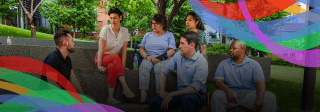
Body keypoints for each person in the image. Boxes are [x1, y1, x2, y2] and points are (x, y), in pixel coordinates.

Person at [149, 31, 208, 112]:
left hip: (197, 95)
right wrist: (162, 92)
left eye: (182, 43)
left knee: (186, 98)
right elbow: (163, 71)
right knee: (154, 102)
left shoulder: (202, 61)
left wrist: (171, 94)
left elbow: (194, 89)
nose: (179, 46)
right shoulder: (178, 55)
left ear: (192, 45)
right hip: (179, 93)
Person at [211, 40, 277, 112]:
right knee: (216, 95)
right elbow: (218, 82)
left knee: (270, 98)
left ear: (242, 49)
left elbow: (260, 83)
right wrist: (228, 92)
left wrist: (259, 99)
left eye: (234, 48)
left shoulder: (254, 64)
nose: (230, 50)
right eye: (230, 48)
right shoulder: (223, 64)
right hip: (230, 95)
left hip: (250, 96)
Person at [95, 7, 135, 104]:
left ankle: (110, 97)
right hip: (102, 58)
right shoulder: (105, 29)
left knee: (112, 67)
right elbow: (101, 49)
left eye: (115, 18)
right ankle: (125, 87)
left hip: (114, 60)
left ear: (120, 17)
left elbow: (124, 51)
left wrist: (123, 66)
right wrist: (99, 65)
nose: (113, 20)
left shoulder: (124, 31)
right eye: (111, 18)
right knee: (115, 57)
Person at [40, 30, 93, 100]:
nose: (74, 43)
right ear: (65, 42)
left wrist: (82, 96)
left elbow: (74, 79)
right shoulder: (52, 59)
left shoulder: (67, 59)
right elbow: (52, 85)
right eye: (72, 40)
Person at [138, 13, 177, 103]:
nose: (153, 25)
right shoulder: (147, 35)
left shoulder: (169, 35)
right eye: (152, 23)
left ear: (163, 24)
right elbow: (141, 48)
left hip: (164, 58)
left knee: (159, 68)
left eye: (156, 23)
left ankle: (160, 95)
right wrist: (148, 57)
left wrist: (160, 58)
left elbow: (172, 50)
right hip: (149, 57)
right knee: (144, 66)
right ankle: (143, 96)